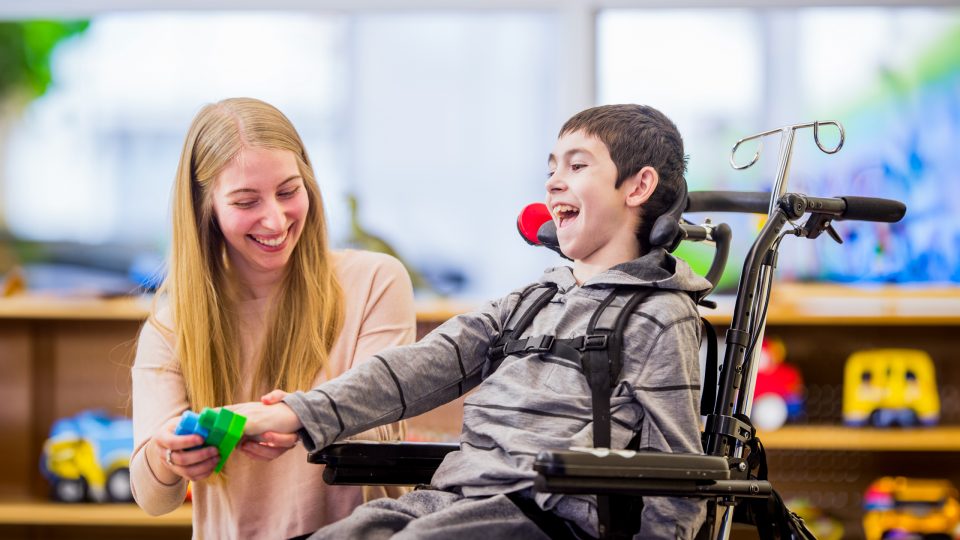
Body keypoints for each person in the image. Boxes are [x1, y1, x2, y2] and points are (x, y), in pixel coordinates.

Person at [232, 104, 710, 539]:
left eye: (577, 165)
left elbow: (678, 477)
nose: (552, 182)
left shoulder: (660, 315)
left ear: (638, 186)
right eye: (551, 168)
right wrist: (297, 413)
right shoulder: (528, 302)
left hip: (542, 519)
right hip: (448, 504)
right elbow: (417, 366)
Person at [129, 97, 417, 539]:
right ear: (207, 209)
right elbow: (152, 498)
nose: (275, 219)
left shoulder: (376, 281)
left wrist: (300, 418)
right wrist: (169, 456)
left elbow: (379, 434)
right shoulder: (172, 326)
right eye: (246, 201)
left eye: (288, 191)